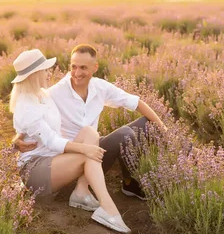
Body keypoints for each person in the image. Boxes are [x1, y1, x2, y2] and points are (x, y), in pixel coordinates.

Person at [13, 44, 167, 200]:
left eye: (83, 68)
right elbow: (33, 120)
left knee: (147, 124)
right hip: (69, 158)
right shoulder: (54, 93)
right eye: (74, 67)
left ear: (95, 67)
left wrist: (167, 132)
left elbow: (136, 103)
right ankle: (82, 186)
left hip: (92, 148)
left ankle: (129, 183)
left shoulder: (100, 87)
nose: (77, 73)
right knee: (125, 134)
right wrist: (17, 138)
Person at [10, 49, 131, 233]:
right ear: (34, 75)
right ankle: (108, 208)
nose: (47, 73)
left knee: (90, 133)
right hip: (35, 171)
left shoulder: (42, 95)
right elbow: (50, 140)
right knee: (87, 154)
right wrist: (84, 150)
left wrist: (18, 136)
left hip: (53, 160)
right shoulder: (26, 105)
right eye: (43, 70)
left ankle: (81, 193)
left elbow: (28, 130)